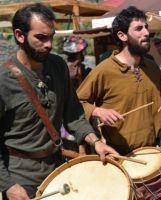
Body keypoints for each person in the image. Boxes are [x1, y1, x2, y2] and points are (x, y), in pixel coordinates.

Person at [0, 4, 117, 199]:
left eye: (51, 36)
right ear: (20, 35)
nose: (48, 44)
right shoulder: (3, 79)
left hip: (57, 170)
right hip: (21, 178)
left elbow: (74, 114)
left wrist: (95, 141)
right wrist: (8, 184)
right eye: (41, 37)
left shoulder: (58, 66)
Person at [77, 6, 161, 155]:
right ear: (122, 36)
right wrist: (97, 110)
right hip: (120, 156)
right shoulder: (104, 70)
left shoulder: (152, 67)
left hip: (153, 152)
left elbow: (159, 109)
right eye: (138, 29)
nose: (146, 33)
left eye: (146, 27)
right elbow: (76, 103)